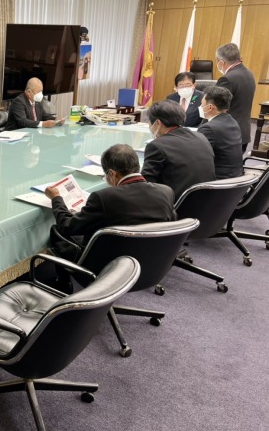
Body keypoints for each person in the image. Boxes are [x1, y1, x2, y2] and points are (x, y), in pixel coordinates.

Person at [45, 144, 176, 291]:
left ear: (112, 174)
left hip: (105, 270)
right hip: (151, 264)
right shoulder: (166, 192)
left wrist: (56, 199)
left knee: (57, 230)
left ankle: (63, 284)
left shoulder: (104, 197)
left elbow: (67, 226)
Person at [141, 100, 215, 199]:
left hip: (176, 204)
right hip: (207, 202)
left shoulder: (157, 146)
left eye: (149, 123)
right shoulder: (201, 137)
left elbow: (145, 186)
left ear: (158, 123)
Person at [215, 43, 256, 152]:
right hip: (243, 132)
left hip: (227, 134)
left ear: (221, 62)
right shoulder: (249, 74)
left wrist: (201, 130)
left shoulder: (227, 79)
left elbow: (215, 107)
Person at [197, 86, 243, 179]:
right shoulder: (232, 121)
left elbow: (196, 155)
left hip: (218, 179)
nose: (200, 106)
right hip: (235, 176)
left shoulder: (209, 129)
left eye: (201, 104)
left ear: (210, 107)